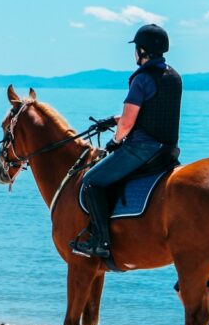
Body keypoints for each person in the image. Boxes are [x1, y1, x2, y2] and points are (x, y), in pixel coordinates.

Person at [71, 24, 182, 259]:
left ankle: (100, 242)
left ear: (142, 50)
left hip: (142, 149)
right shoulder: (172, 76)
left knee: (91, 181)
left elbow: (129, 123)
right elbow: (151, 112)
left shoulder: (141, 79)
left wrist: (115, 140)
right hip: (167, 150)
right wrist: (112, 120)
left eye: (136, 49)